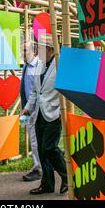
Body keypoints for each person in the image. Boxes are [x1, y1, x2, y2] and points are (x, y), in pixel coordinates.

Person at [21, 34, 68, 195]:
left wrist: (63, 111)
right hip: (39, 114)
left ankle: (67, 176)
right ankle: (47, 184)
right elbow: (35, 91)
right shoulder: (41, 65)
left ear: (49, 49)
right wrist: (28, 108)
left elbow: (66, 90)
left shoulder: (60, 64)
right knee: (42, 150)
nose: (36, 50)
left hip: (55, 113)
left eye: (39, 47)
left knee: (49, 148)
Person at [20, 41, 42, 182]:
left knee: (35, 141)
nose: (23, 53)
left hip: (36, 110)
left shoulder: (38, 68)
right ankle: (42, 165)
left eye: (25, 50)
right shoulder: (26, 67)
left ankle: (38, 169)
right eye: (22, 50)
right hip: (27, 109)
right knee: (34, 139)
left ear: (34, 52)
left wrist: (33, 109)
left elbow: (38, 91)